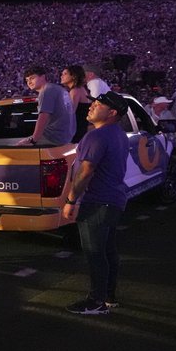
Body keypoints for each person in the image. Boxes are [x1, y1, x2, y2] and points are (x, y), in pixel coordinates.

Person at [59, 92, 130, 314]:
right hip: (114, 199)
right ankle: (108, 296)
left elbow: (86, 171)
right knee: (107, 250)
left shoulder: (96, 136)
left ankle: (96, 301)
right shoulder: (118, 134)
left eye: (98, 105)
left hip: (97, 201)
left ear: (112, 113)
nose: (91, 106)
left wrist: (71, 200)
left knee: (95, 253)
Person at [19, 65, 74, 148]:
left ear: (43, 77)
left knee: (19, 147)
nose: (29, 82)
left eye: (32, 78)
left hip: (53, 137)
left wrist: (34, 140)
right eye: (27, 80)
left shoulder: (46, 91)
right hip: (66, 136)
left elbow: (43, 117)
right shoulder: (56, 88)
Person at [59, 65, 92, 140]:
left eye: (65, 74)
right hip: (80, 129)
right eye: (62, 74)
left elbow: (70, 113)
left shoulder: (75, 91)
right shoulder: (81, 89)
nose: (61, 76)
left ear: (73, 76)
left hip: (76, 131)